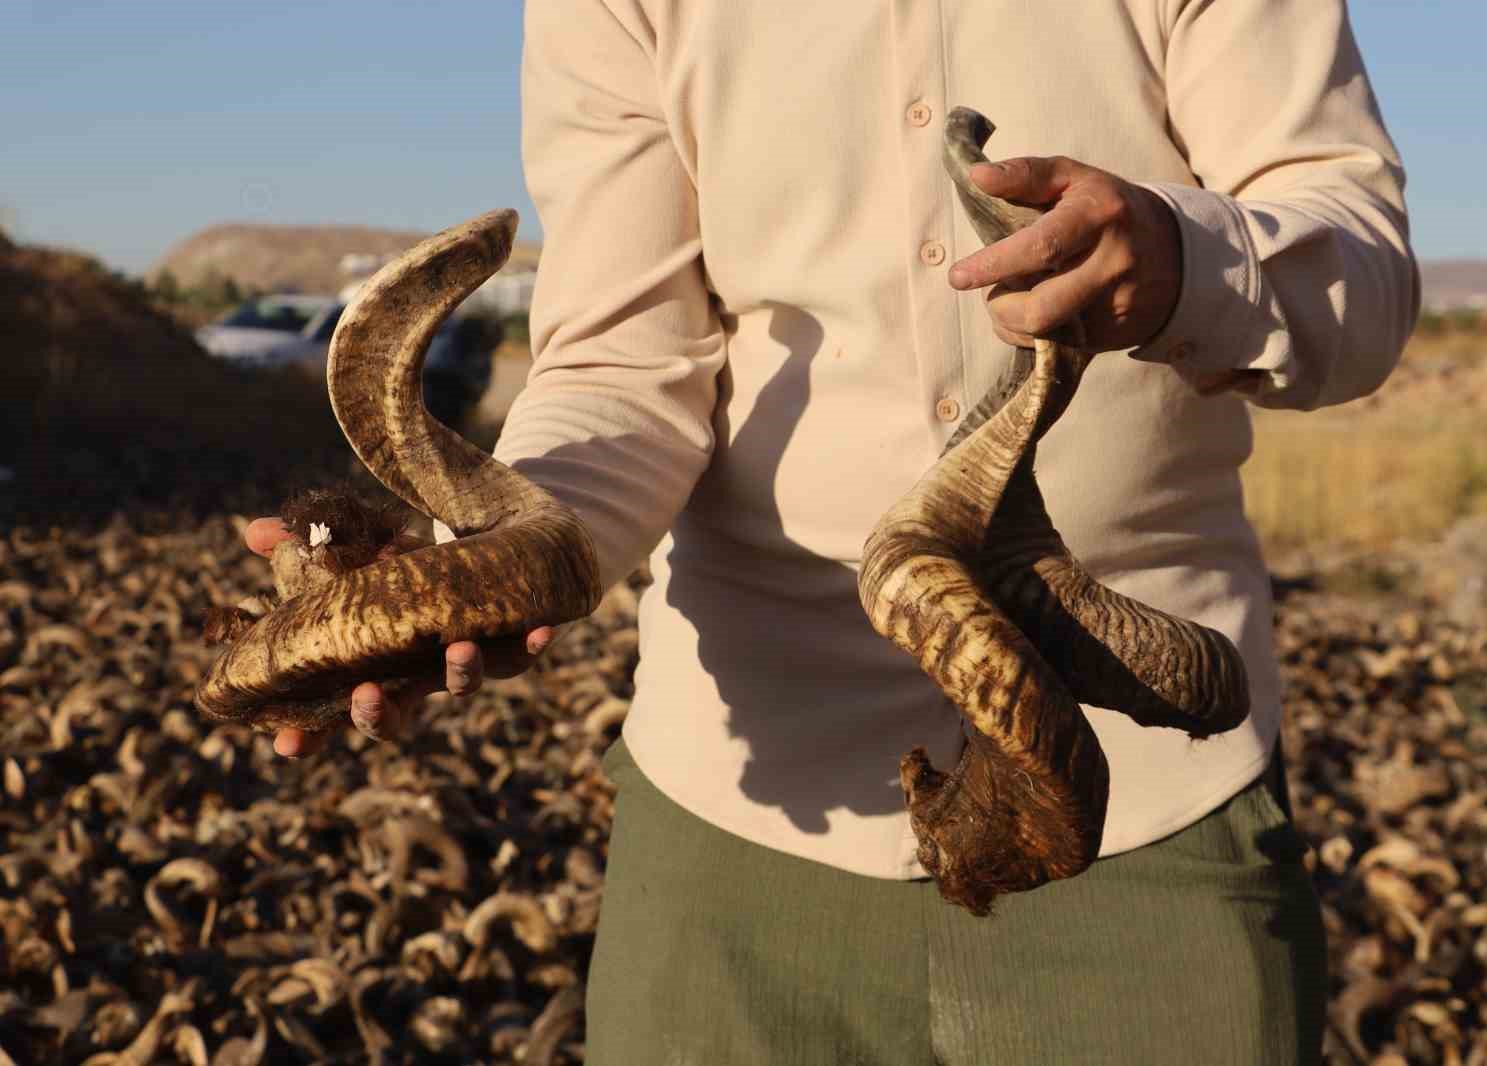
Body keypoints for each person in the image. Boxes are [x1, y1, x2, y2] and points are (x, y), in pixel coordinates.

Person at [253, 0, 1418, 1061]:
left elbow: (1358, 266)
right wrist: (489, 563)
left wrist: (1181, 264)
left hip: (1153, 799)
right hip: (734, 830)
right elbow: (625, 357)